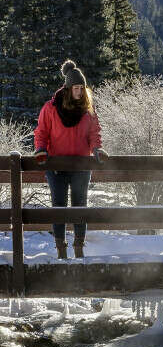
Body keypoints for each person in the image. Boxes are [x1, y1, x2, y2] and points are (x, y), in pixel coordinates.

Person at [32, 60, 109, 259]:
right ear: (67, 88)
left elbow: (94, 134)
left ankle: (79, 248)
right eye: (76, 88)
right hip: (57, 166)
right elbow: (41, 132)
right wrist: (40, 149)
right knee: (58, 207)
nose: (79, 92)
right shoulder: (50, 108)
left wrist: (97, 149)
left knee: (79, 205)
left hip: (81, 166)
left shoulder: (88, 110)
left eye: (82, 88)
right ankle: (60, 250)